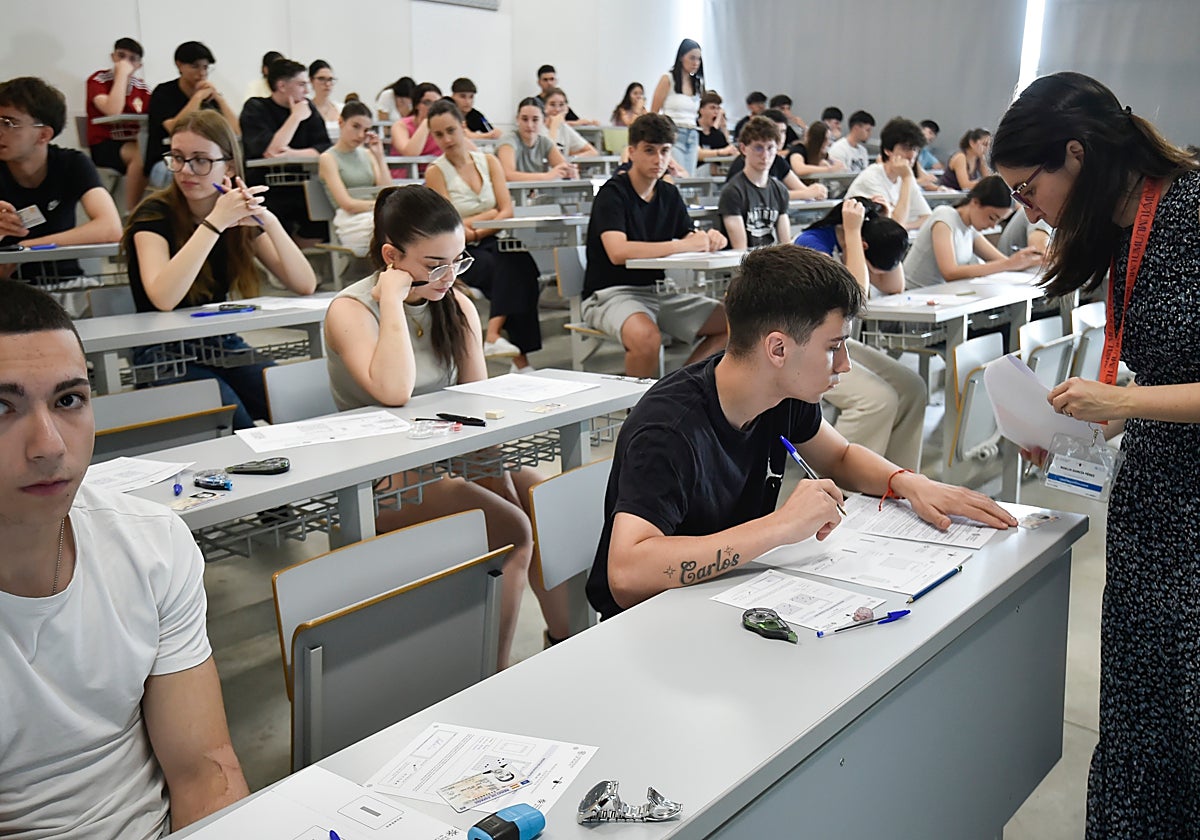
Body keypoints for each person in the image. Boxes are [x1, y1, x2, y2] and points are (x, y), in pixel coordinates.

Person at [585, 244, 1017, 620]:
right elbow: (626, 575)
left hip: (727, 596)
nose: (845, 364)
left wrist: (907, 482)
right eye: (834, 347)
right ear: (777, 348)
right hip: (653, 626)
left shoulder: (782, 393)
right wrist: (781, 526)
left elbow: (841, 456)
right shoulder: (670, 429)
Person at [991, 71, 1200, 838]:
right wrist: (1086, 431)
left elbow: (1154, 387)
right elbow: (1166, 370)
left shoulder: (1193, 209)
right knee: (1145, 718)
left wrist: (1126, 403)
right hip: (1154, 508)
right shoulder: (1121, 224)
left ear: (1074, 154)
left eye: (1026, 188)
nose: (1027, 209)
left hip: (1193, 512)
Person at [0, 279, 249, 838]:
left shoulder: (151, 543)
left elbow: (204, 774)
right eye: (2, 406)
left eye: (69, 401)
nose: (48, 446)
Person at [322, 185, 571, 667]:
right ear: (391, 257)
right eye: (435, 263)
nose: (449, 275)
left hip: (444, 454)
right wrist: (392, 301)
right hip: (377, 475)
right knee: (511, 528)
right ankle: (490, 676)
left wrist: (492, 471)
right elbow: (393, 391)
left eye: (458, 260)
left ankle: (563, 643)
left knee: (543, 502)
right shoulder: (351, 310)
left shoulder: (454, 304)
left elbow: (476, 401)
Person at [123, 110, 317, 429]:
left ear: (227, 165)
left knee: (296, 407)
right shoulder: (153, 214)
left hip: (220, 341)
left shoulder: (235, 214)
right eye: (177, 158)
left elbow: (304, 283)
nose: (186, 170)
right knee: (236, 424)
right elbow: (163, 297)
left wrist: (268, 221)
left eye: (200, 160)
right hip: (160, 352)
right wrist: (215, 223)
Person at [581, 113, 728, 378]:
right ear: (632, 151)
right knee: (647, 339)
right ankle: (640, 418)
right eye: (649, 150)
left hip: (659, 292)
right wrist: (681, 245)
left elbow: (688, 237)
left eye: (664, 151)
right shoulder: (612, 193)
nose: (658, 159)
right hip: (609, 294)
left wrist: (710, 239)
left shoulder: (669, 194)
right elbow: (618, 252)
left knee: (736, 324)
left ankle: (679, 389)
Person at [795, 198, 926, 470]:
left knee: (912, 388)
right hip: (802, 348)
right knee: (877, 400)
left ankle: (899, 483)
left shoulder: (857, 243)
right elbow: (856, 301)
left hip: (835, 344)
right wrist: (854, 234)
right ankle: (844, 491)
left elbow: (894, 284)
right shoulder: (813, 243)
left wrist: (883, 228)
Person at [424, 100, 541, 372]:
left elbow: (507, 208)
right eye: (439, 134)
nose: (447, 139)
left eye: (451, 130)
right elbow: (451, 226)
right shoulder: (435, 172)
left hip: (490, 241)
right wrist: (488, 218)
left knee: (522, 263)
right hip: (459, 251)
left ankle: (496, 336)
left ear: (463, 126)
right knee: (508, 266)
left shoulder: (489, 162)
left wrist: (476, 227)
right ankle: (515, 355)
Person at [0, 77, 122, 308]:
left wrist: (26, 248)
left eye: (9, 122)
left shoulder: (71, 164)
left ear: (43, 135)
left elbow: (110, 227)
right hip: (8, 289)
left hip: (67, 284)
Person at [240, 58, 331, 244]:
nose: (307, 91)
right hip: (267, 187)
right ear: (282, 85)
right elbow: (270, 151)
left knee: (326, 216)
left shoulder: (308, 107)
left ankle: (298, 257)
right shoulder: (255, 108)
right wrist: (295, 117)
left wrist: (292, 154)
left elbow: (324, 148)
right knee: (277, 221)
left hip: (305, 185)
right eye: (301, 85)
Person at [903, 175, 1042, 287]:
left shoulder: (970, 228)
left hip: (939, 296)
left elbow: (1002, 261)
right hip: (914, 295)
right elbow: (950, 272)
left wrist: (1028, 260)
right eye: (992, 217)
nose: (993, 226)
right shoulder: (944, 217)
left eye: (998, 221)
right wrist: (1009, 264)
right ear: (975, 202)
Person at [145, 42, 238, 186]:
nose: (201, 73)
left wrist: (219, 99)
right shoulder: (164, 92)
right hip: (167, 159)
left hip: (204, 159)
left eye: (205, 67)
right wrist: (197, 97)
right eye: (195, 66)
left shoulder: (210, 97)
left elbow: (235, 132)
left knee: (230, 168)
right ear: (179, 65)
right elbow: (175, 128)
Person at [318, 100, 391, 257]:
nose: (360, 135)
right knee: (397, 230)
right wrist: (380, 205)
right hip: (350, 221)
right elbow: (347, 204)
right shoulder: (328, 158)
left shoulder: (369, 154)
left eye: (366, 130)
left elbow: (387, 192)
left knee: (404, 227)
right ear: (341, 122)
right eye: (355, 126)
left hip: (375, 215)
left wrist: (379, 157)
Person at [85, 36, 151, 209]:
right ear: (113, 57)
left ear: (139, 65)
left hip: (132, 142)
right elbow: (113, 110)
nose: (126, 62)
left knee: (150, 152)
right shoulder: (97, 80)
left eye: (132, 59)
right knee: (140, 154)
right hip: (105, 145)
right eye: (121, 56)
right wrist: (121, 74)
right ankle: (132, 211)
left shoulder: (143, 88)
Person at [723, 109, 828, 202]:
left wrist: (816, 191)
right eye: (776, 131)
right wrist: (805, 193)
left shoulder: (778, 160)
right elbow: (758, 195)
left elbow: (802, 189)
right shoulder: (745, 162)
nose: (780, 137)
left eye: (783, 132)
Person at [846, 117, 932, 230]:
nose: (911, 156)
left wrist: (906, 226)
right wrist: (907, 178)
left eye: (915, 149)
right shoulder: (871, 177)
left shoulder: (904, 177)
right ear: (888, 150)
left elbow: (927, 217)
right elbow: (894, 225)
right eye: (905, 148)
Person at [718, 115, 790, 250]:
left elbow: (786, 245)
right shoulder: (733, 192)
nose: (765, 155)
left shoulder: (780, 190)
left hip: (772, 260)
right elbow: (740, 250)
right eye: (758, 148)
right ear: (744, 149)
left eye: (770, 148)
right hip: (745, 265)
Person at [649, 39, 705, 178]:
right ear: (681, 57)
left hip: (692, 134)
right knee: (678, 176)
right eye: (692, 58)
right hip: (674, 133)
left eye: (698, 59)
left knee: (690, 178)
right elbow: (654, 113)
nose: (695, 63)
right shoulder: (668, 79)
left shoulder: (697, 84)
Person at [496, 97, 576, 182]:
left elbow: (564, 168)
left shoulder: (545, 142)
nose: (530, 125)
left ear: (544, 121)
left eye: (535, 120)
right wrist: (547, 176)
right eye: (524, 119)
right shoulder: (508, 141)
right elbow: (507, 175)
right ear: (517, 119)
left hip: (534, 194)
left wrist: (570, 171)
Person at [390, 81, 443, 159]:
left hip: (434, 169)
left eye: (437, 103)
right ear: (417, 105)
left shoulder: (443, 125)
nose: (433, 107)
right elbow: (410, 154)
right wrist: (426, 122)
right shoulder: (401, 125)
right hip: (407, 170)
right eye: (427, 102)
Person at [543, 88, 597, 157]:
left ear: (567, 108)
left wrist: (571, 159)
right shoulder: (537, 127)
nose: (557, 109)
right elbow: (549, 153)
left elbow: (592, 152)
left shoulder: (565, 128)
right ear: (544, 107)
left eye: (561, 105)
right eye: (552, 104)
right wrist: (554, 125)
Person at [308, 60, 343, 142]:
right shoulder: (305, 110)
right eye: (321, 79)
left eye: (330, 79)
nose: (327, 84)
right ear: (311, 81)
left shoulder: (342, 109)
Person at [696, 91, 736, 163]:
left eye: (718, 108)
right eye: (712, 108)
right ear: (701, 110)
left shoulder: (717, 135)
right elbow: (697, 154)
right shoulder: (693, 131)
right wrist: (720, 152)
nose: (716, 112)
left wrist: (724, 127)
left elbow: (729, 150)